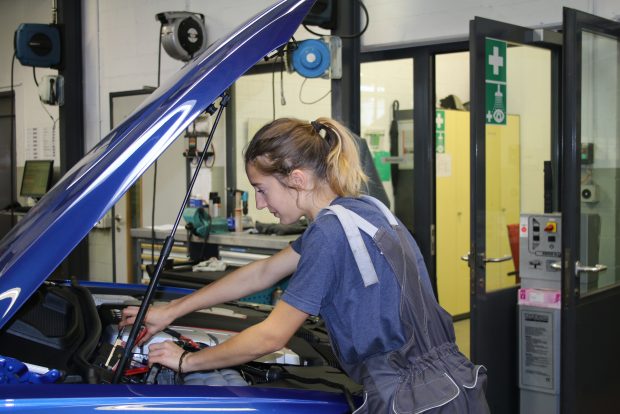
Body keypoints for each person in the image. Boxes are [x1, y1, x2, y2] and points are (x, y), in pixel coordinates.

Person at [120, 117, 489, 413]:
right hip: (448, 383)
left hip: (414, 398)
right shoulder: (360, 209)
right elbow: (264, 272)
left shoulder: (330, 232)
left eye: (262, 189)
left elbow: (271, 336)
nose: (260, 204)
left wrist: (187, 362)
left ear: (296, 179)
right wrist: (170, 310)